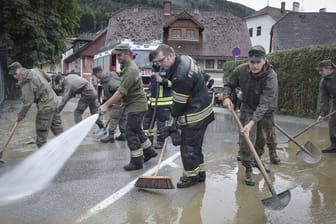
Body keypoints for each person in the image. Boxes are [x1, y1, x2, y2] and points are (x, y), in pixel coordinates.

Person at [153, 44, 215, 188]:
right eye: (157, 63)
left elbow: (179, 104)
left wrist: (171, 121)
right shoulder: (185, 59)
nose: (160, 65)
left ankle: (190, 177)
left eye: (161, 61)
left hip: (195, 114)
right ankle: (200, 173)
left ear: (169, 56)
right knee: (196, 146)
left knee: (188, 146)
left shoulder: (180, 76)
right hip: (204, 109)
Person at [222, 45, 279, 186]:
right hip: (247, 107)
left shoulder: (271, 77)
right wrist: (227, 97)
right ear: (249, 61)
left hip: (266, 110)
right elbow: (229, 84)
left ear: (264, 60)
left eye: (258, 62)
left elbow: (265, 103)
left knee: (262, 139)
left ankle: (257, 161)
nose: (254, 65)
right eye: (252, 62)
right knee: (246, 140)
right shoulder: (241, 70)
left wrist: (252, 122)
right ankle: (248, 168)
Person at [99, 43, 157, 171]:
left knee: (130, 132)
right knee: (137, 130)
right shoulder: (128, 68)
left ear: (127, 53)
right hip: (136, 104)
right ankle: (149, 151)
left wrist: (106, 105)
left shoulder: (131, 70)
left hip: (136, 106)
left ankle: (137, 161)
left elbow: (120, 92)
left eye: (119, 55)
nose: (117, 58)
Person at [7, 62, 64, 147]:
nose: (14, 77)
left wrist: (20, 116)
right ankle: (66, 146)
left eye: (15, 74)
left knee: (41, 134)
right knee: (57, 128)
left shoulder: (25, 79)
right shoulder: (35, 70)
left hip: (45, 106)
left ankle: (44, 157)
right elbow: (48, 78)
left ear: (19, 70)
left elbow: (28, 102)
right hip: (54, 101)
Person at [143, 51, 172, 149]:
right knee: (147, 122)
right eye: (153, 62)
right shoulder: (154, 69)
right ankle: (148, 141)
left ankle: (161, 142)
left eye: (156, 61)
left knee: (161, 124)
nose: (155, 64)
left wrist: (163, 81)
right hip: (152, 102)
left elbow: (173, 84)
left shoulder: (168, 68)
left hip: (164, 103)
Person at [92, 66, 127, 143]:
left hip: (118, 99)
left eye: (95, 75)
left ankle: (110, 136)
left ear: (99, 73)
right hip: (124, 100)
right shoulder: (110, 75)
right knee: (123, 117)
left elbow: (118, 89)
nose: (96, 77)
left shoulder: (108, 80)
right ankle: (123, 134)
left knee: (114, 117)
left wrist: (112, 102)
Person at [316, 59, 336, 153]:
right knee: (332, 123)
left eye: (321, 70)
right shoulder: (324, 81)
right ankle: (334, 145)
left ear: (329, 69)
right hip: (335, 102)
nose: (320, 72)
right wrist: (322, 113)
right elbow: (324, 99)